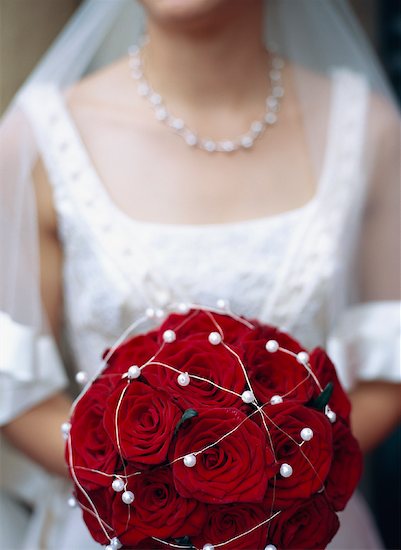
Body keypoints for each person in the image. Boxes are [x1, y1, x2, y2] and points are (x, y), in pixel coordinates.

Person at [0, 0, 400, 548]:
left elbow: (388, 367)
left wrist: (274, 478)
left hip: (303, 526)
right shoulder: (38, 137)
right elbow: (13, 382)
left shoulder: (370, 131)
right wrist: (157, 491)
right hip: (121, 529)